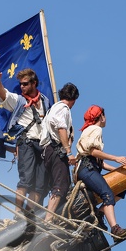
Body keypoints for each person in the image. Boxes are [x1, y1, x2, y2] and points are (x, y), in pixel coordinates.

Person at [0, 67, 51, 216]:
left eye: (25, 84)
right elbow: (3, 94)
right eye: (21, 84)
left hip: (42, 145)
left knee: (39, 184)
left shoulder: (45, 100)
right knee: (26, 180)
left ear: (34, 83)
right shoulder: (19, 100)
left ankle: (29, 213)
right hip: (27, 143)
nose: (22, 87)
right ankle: (18, 213)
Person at [75, 105, 126, 240]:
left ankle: (100, 214)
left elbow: (98, 161)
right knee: (107, 194)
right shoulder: (96, 129)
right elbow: (93, 152)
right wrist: (116, 158)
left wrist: (117, 171)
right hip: (87, 169)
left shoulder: (89, 130)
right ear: (101, 116)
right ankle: (115, 230)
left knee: (121, 189)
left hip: (90, 168)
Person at [39, 82, 80, 222]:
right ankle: (48, 220)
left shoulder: (53, 109)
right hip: (56, 150)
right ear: (74, 99)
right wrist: (69, 152)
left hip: (48, 151)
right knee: (60, 185)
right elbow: (61, 128)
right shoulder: (63, 109)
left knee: (62, 185)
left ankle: (55, 217)